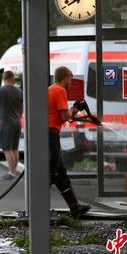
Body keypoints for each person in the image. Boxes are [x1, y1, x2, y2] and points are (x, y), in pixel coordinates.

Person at [49, 66, 90, 219]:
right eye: (70, 79)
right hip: (51, 134)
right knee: (52, 172)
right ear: (65, 78)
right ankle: (36, 207)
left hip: (48, 133)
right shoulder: (60, 91)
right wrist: (74, 109)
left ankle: (75, 207)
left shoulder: (50, 89)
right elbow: (66, 116)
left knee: (60, 174)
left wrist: (73, 112)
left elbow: (60, 115)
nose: (71, 83)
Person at [0, 70, 23, 181]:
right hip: (17, 122)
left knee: (7, 149)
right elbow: (22, 109)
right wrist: (17, 116)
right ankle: (14, 171)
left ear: (3, 79)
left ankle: (11, 173)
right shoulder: (19, 91)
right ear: (12, 78)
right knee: (14, 148)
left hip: (6, 123)